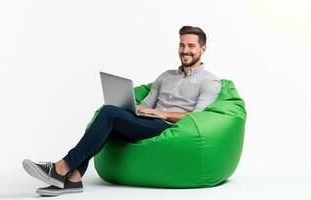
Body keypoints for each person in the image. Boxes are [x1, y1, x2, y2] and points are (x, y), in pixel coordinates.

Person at [22, 25, 222, 196]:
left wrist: (161, 113)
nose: (185, 50)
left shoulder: (209, 81)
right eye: (181, 45)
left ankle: (60, 167)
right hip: (148, 121)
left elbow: (198, 117)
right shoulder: (166, 76)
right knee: (104, 120)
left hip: (168, 127)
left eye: (191, 46)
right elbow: (146, 104)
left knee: (109, 114)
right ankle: (73, 180)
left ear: (202, 49)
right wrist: (132, 108)